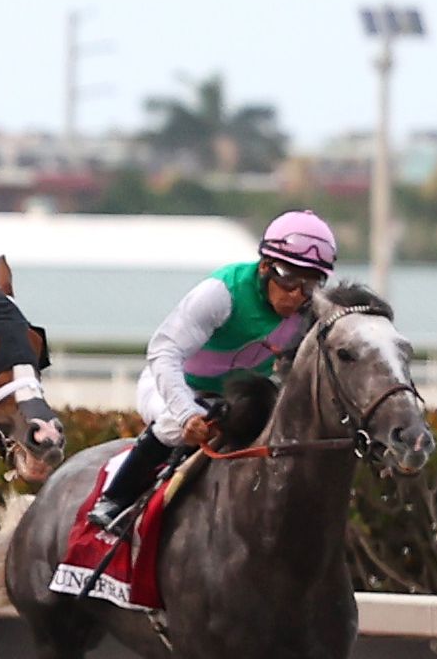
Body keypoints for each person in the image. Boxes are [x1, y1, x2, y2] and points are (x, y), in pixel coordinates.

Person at [91, 210, 338, 543]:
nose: (297, 295)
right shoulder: (221, 292)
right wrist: (186, 412)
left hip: (236, 399)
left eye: (310, 283)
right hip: (174, 387)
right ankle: (115, 500)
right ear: (265, 266)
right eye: (288, 278)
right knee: (176, 425)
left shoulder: (311, 312)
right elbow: (164, 352)